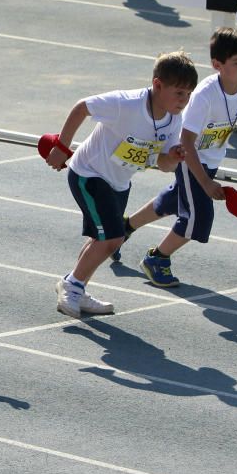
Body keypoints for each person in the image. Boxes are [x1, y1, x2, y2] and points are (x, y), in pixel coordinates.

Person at [118, 28, 237, 285]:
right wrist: (206, 182)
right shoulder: (205, 95)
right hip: (189, 157)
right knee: (198, 217)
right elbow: (186, 142)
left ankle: (125, 227)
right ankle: (157, 258)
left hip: (210, 160)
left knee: (175, 199)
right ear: (217, 65)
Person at [43, 51, 197, 318]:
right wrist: (61, 146)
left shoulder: (174, 120)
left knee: (103, 241)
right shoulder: (126, 104)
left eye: (188, 94)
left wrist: (173, 158)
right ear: (158, 85)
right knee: (112, 237)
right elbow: (82, 107)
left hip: (120, 182)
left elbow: (162, 164)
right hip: (89, 174)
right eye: (179, 93)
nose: (184, 100)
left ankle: (77, 287)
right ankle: (71, 285)